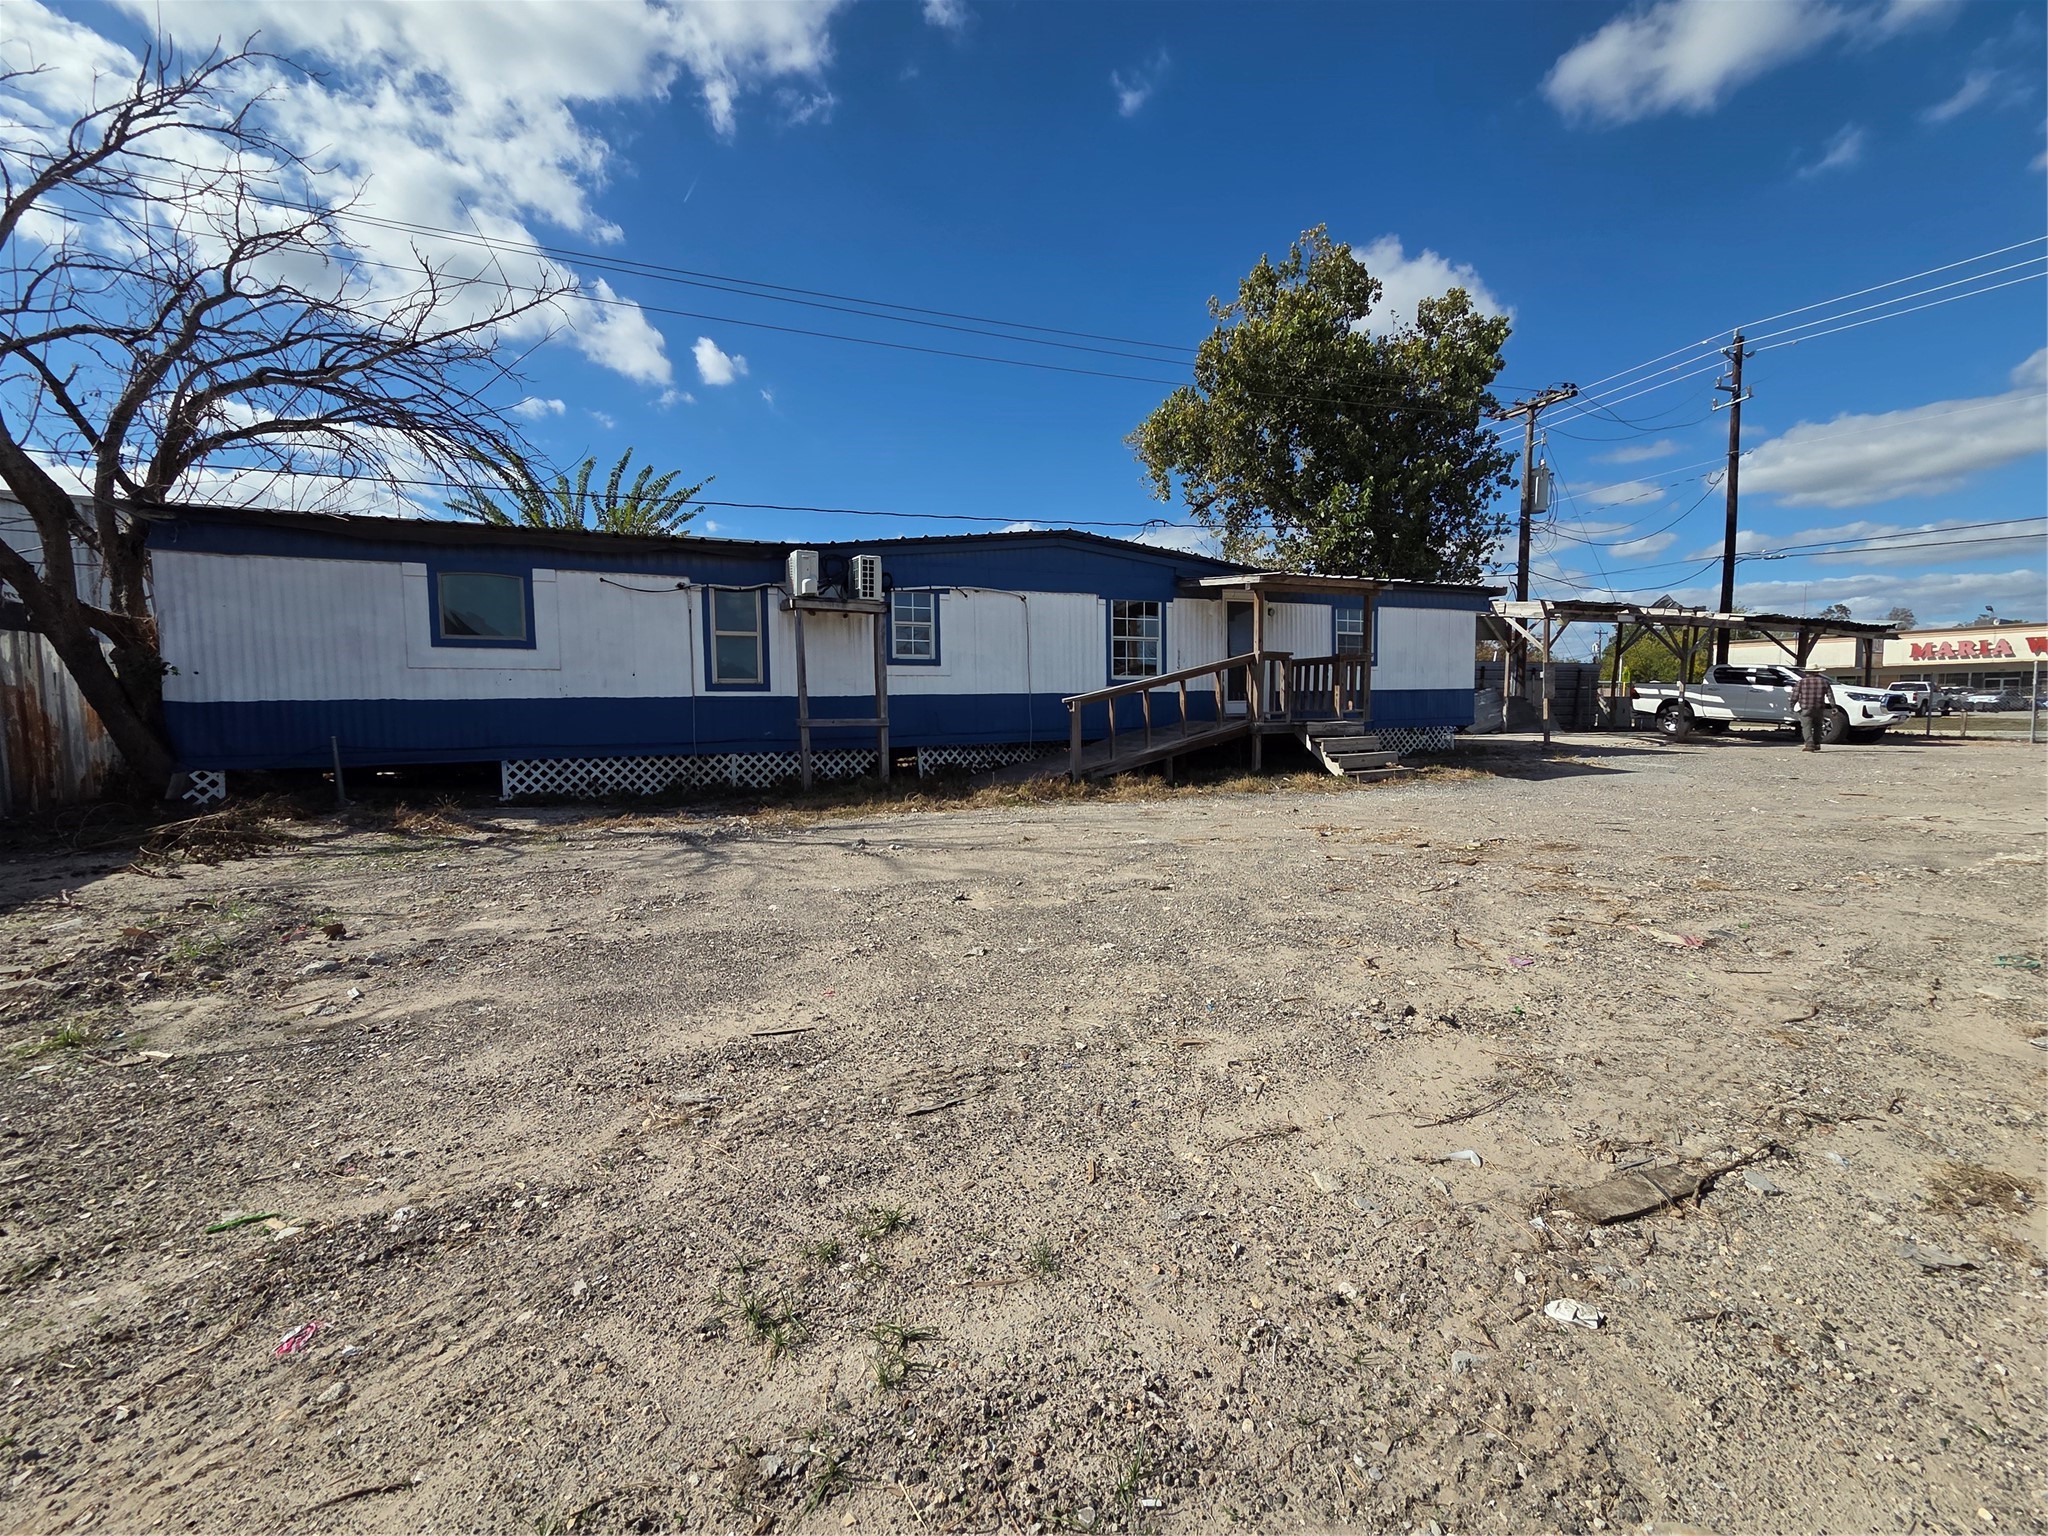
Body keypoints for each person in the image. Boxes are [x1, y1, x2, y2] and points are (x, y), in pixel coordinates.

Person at [1791, 668, 1832, 751]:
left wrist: (1792, 705)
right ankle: (1817, 743)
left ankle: (1809, 744)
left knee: (1806, 726)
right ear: (1817, 672)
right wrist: (1833, 706)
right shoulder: (1824, 682)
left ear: (1807, 673)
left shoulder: (1801, 682)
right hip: (1819, 707)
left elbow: (1795, 695)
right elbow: (1830, 696)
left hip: (1806, 707)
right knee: (1818, 726)